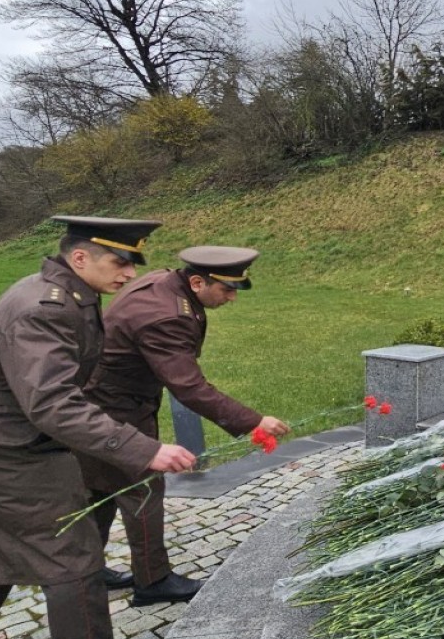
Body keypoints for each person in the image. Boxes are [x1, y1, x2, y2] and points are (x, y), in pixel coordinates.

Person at [0, 216, 198, 639]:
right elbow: (51, 403)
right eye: (120, 262)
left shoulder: (67, 296)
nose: (130, 274)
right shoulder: (43, 310)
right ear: (80, 257)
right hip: (5, 452)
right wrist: (143, 448)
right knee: (74, 559)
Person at [80, 245, 290, 607]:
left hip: (102, 403)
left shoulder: (166, 283)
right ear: (196, 282)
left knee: (101, 488)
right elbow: (189, 387)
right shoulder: (167, 316)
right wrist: (254, 422)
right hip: (116, 410)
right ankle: (152, 581)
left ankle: (87, 570)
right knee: (142, 490)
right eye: (227, 289)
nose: (232, 298)